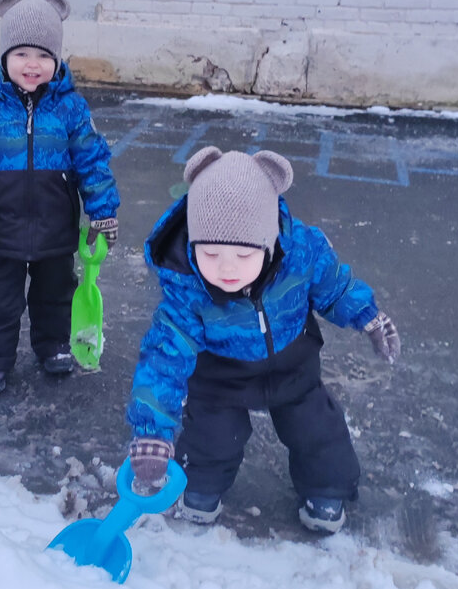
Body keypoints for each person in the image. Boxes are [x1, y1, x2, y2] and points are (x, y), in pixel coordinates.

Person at [125, 146, 400, 534]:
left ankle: (325, 490)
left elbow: (335, 287)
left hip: (293, 365)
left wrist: (368, 316)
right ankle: (200, 488)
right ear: (193, 245)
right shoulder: (187, 290)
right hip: (220, 377)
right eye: (211, 251)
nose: (226, 267)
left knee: (318, 429)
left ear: (269, 242)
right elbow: (162, 361)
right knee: (211, 437)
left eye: (242, 253)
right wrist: (152, 432)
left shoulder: (301, 253)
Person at [0, 0, 120, 396]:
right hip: (1, 230)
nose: (32, 64)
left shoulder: (70, 108)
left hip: (56, 228)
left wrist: (103, 211)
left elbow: (93, 161)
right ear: (4, 56)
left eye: (43, 55)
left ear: (57, 60)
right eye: (21, 54)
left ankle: (53, 344)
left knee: (55, 293)